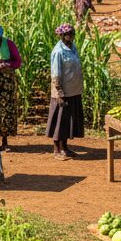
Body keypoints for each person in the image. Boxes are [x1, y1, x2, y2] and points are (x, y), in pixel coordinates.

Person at [47, 24, 83, 160]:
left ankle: (65, 148)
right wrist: (60, 92)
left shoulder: (72, 48)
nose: (72, 36)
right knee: (59, 121)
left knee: (68, 121)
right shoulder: (58, 51)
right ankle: (56, 150)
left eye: (73, 34)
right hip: (62, 92)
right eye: (69, 34)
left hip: (73, 90)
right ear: (62, 36)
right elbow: (56, 74)